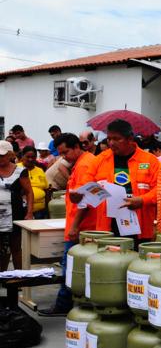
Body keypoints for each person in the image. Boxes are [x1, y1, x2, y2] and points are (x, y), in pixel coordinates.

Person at [38, 133, 100, 316]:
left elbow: (86, 199)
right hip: (80, 224)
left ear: (76, 147)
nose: (63, 157)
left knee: (69, 267)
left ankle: (63, 305)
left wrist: (75, 226)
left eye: (65, 152)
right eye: (61, 153)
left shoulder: (85, 165)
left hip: (81, 226)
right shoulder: (84, 161)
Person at [69, 119, 158, 242]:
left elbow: (160, 191)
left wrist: (142, 200)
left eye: (117, 139)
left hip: (140, 228)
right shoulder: (100, 160)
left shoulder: (150, 161)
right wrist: (79, 195)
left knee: (138, 261)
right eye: (109, 139)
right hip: (108, 229)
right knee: (110, 261)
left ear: (130, 138)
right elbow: (86, 184)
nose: (111, 143)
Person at [0, 141, 33, 271]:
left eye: (3, 155)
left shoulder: (20, 171)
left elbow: (29, 192)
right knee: (2, 248)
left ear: (11, 155)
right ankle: (2, 276)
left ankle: (19, 277)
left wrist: (29, 213)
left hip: (15, 214)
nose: (0, 158)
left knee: (15, 247)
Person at [17, 146, 49, 219]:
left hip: (40, 210)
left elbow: (46, 189)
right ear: (22, 156)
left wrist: (47, 208)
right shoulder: (16, 169)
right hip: (22, 210)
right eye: (28, 157)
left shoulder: (40, 170)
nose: (30, 159)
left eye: (33, 157)